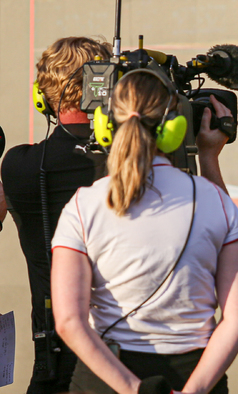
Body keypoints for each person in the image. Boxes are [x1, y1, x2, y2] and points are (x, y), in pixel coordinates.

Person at [50, 69, 238, 394]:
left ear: (106, 125)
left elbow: (68, 321)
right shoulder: (216, 201)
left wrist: (134, 389)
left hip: (104, 378)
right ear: (173, 128)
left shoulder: (83, 204)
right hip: (196, 372)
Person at [1, 36, 112, 393]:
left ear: (42, 96)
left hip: (53, 361)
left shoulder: (18, 165)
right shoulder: (138, 166)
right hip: (129, 361)